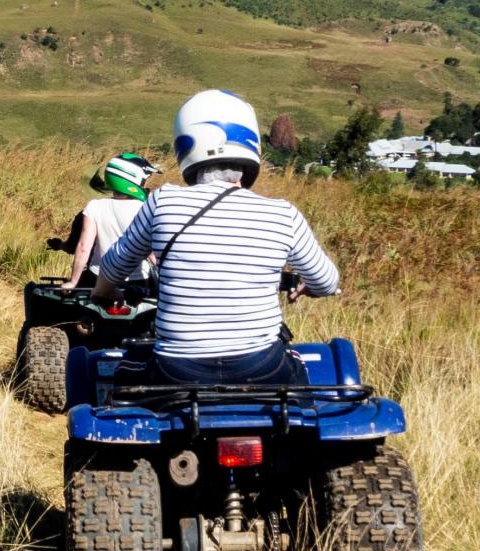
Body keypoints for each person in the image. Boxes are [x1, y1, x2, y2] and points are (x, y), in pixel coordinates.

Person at [96, 89, 339, 386]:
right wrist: (307, 287)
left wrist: (103, 293)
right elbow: (327, 282)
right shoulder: (282, 213)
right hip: (261, 366)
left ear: (184, 144)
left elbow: (112, 268)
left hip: (178, 370)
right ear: (250, 141)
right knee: (299, 376)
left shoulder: (163, 202)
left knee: (119, 377)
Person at [60, 152, 157, 288]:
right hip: (137, 281)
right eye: (143, 180)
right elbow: (152, 253)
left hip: (98, 277)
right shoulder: (148, 208)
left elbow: (83, 248)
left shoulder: (95, 206)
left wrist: (73, 282)